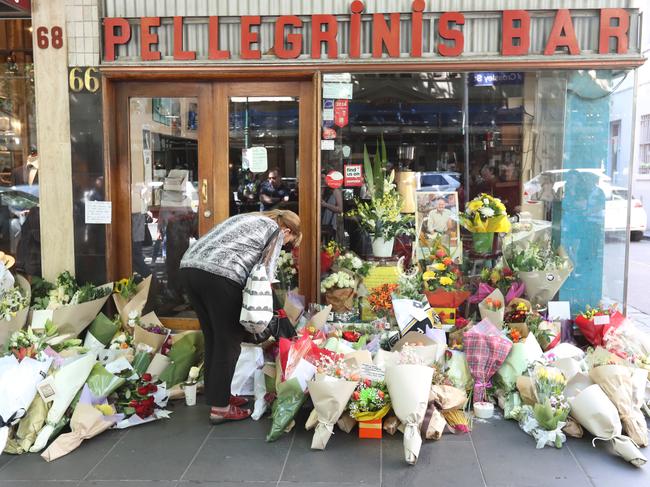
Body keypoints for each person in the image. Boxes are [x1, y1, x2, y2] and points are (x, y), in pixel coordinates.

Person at [179, 209, 301, 424]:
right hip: (221, 275)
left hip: (190, 268)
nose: (286, 248)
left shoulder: (247, 218)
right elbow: (263, 277)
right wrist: (280, 318)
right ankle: (220, 409)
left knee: (213, 337)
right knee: (228, 341)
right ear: (288, 230)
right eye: (289, 244)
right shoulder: (275, 231)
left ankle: (219, 395)